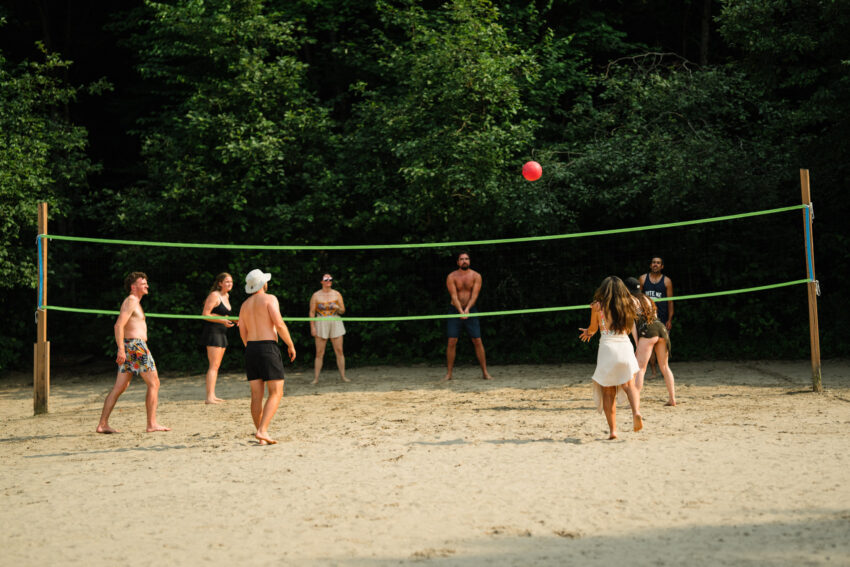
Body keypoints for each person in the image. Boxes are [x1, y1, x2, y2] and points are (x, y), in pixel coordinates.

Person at [96, 272, 170, 434]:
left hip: (133, 346)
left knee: (120, 387)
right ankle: (151, 424)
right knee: (154, 383)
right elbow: (118, 326)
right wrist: (121, 349)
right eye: (143, 283)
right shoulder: (131, 301)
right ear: (133, 286)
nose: (147, 286)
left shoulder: (135, 302)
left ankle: (102, 424)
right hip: (135, 346)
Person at [579, 276, 643, 439]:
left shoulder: (597, 306)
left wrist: (588, 332)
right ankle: (636, 412)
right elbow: (629, 328)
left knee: (608, 391)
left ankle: (613, 430)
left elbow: (594, 328)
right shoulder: (630, 304)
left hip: (607, 348)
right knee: (630, 385)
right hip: (624, 345)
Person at [238, 269, 296, 445]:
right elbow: (278, 323)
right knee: (276, 392)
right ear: (263, 283)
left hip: (251, 348)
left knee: (256, 395)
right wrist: (290, 344)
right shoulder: (270, 299)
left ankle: (261, 433)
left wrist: (250, 348)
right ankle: (262, 431)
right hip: (267, 347)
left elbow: (242, 331)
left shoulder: (244, 305)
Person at [626, 277, 676, 406]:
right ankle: (672, 399)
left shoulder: (629, 301)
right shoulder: (647, 298)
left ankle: (635, 402)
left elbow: (632, 325)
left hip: (648, 331)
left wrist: (637, 343)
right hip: (661, 329)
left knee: (640, 369)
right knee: (665, 367)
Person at [443, 252, 493, 381]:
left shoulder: (476, 276)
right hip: (455, 310)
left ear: (469, 261)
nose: (464, 261)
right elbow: (453, 296)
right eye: (461, 259)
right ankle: (449, 374)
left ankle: (485, 372)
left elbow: (475, 295)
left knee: (477, 340)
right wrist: (461, 310)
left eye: (466, 259)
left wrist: (467, 310)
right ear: (457, 262)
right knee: (452, 341)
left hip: (471, 310)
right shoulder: (451, 276)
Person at [200, 272, 236, 403]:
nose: (229, 284)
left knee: (217, 366)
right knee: (213, 366)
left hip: (222, 333)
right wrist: (223, 321)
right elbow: (205, 314)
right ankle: (209, 397)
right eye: (227, 282)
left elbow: (224, 317)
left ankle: (212, 395)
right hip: (213, 333)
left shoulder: (226, 296)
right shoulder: (214, 295)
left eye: (231, 282)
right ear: (220, 283)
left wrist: (236, 321)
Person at [309, 273, 349, 384]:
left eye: (330, 279)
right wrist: (312, 327)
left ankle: (343, 376)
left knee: (339, 351)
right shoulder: (316, 295)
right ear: (322, 281)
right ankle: (316, 378)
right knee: (319, 352)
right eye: (326, 279)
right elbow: (312, 312)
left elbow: (343, 310)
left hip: (335, 321)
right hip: (321, 322)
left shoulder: (337, 294)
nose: (329, 281)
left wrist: (338, 307)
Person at [639, 256, 674, 377]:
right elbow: (639, 298)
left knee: (662, 346)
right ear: (650, 265)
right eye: (653, 262)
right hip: (647, 318)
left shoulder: (666, 281)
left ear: (662, 266)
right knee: (649, 345)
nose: (655, 264)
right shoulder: (643, 279)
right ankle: (653, 371)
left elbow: (670, 301)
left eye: (658, 263)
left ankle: (664, 370)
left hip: (663, 318)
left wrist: (670, 319)